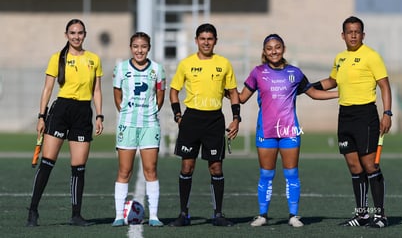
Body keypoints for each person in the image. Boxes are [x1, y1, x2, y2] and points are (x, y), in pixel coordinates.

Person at [238, 33, 338, 227]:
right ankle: (262, 215)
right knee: (266, 175)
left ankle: (293, 215)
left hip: (289, 131)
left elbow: (314, 93)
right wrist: (219, 89)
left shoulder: (295, 73)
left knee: (291, 173)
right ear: (264, 52)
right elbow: (241, 98)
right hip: (266, 131)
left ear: (283, 49)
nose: (273, 51)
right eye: (269, 48)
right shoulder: (258, 72)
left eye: (277, 47)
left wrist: (341, 93)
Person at [313, 16, 392, 228]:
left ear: (363, 35)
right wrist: (308, 86)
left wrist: (387, 113)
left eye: (357, 31)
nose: (354, 35)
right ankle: (362, 214)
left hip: (365, 116)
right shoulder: (340, 58)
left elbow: (384, 85)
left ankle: (380, 215)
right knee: (354, 167)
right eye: (350, 32)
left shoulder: (371, 56)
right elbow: (332, 81)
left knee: (370, 165)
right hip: (345, 116)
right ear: (343, 35)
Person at [26, 19, 104, 227]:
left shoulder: (94, 59)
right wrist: (41, 117)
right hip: (61, 110)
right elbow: (47, 89)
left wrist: (99, 115)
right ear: (66, 35)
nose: (76, 36)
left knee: (79, 167)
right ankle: (33, 211)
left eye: (80, 33)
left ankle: (76, 215)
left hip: (82, 112)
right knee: (47, 162)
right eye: (72, 33)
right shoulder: (57, 58)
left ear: (85, 35)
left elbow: (96, 90)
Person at [168, 23, 240, 227]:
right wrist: (178, 115)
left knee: (216, 167)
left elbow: (233, 92)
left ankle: (218, 214)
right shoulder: (186, 63)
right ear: (196, 40)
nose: (206, 42)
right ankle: (184, 214)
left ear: (215, 41)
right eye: (202, 38)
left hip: (214, 120)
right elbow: (174, 90)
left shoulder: (224, 63)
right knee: (187, 166)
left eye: (210, 39)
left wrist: (236, 117)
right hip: (191, 120)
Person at [111, 32, 166, 227]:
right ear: (131, 47)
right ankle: (119, 215)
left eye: (143, 46)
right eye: (135, 46)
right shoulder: (121, 68)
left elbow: (160, 95)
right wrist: (127, 113)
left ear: (148, 48)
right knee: (124, 170)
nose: (139, 50)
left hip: (150, 124)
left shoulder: (158, 69)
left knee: (151, 169)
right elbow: (117, 95)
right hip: (127, 124)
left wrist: (149, 112)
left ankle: (154, 216)